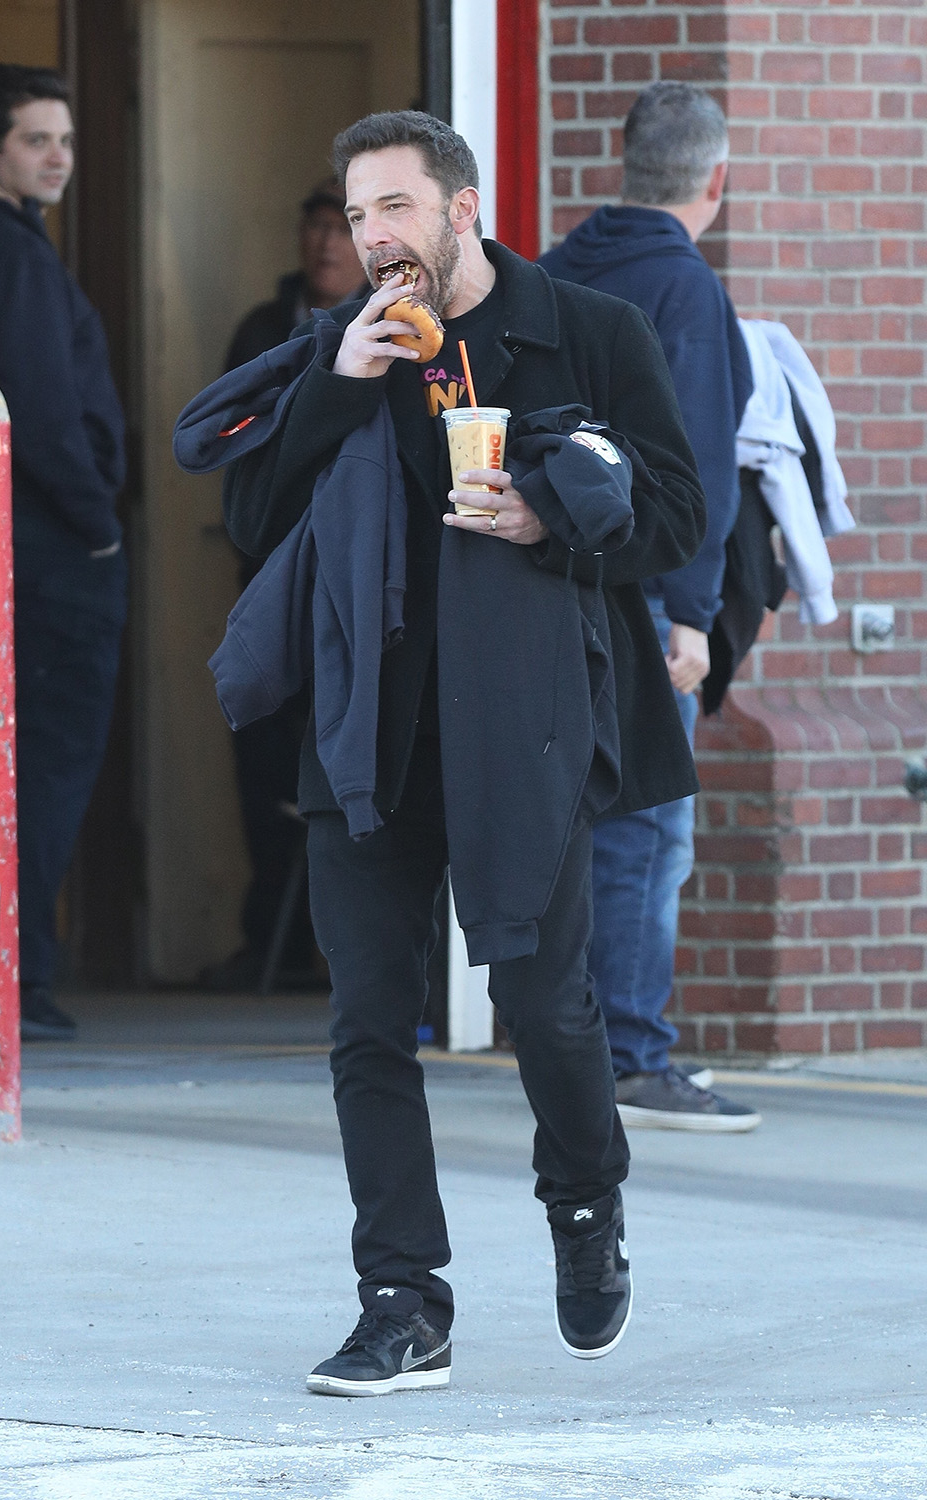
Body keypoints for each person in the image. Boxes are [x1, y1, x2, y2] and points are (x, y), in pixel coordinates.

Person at [215, 110, 706, 1396]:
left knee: (546, 1008)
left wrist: (549, 516)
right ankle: (401, 1300)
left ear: (460, 209)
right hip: (366, 726)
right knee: (368, 1021)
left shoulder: (589, 332)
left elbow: (675, 510)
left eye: (395, 208)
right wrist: (339, 386)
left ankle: (586, 1205)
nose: (373, 237)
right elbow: (251, 516)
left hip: (526, 725)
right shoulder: (340, 349)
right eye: (357, 212)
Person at [540, 82, 761, 1132]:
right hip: (638, 601)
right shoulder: (684, 289)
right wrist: (689, 613)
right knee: (648, 830)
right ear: (714, 180)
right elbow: (697, 471)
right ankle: (630, 1057)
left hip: (545, 593)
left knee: (572, 826)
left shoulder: (552, 271)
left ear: (622, 163)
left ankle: (574, 1045)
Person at [0, 65, 127, 1041]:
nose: (58, 158)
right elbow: (46, 421)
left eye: (66, 139)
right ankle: (20, 981)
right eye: (37, 139)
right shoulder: (14, 262)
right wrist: (101, 529)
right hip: (46, 557)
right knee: (42, 772)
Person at [199, 180, 364, 993]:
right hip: (271, 579)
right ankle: (268, 941)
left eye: (345, 228)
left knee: (343, 768)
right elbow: (235, 444)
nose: (329, 243)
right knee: (263, 772)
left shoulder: (392, 334)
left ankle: (341, 955)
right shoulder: (266, 333)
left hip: (354, 587)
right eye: (319, 228)